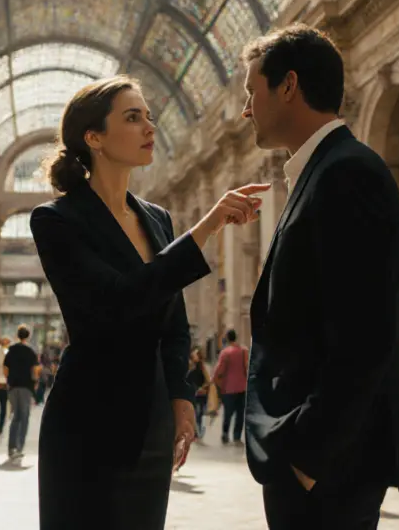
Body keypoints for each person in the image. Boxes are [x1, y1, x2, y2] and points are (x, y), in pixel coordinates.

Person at [29, 76, 267, 530]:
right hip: (87, 421)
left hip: (152, 424)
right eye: (133, 117)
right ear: (94, 138)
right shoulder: (56, 220)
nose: (150, 127)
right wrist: (205, 227)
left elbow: (173, 324)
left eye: (149, 116)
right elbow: (118, 302)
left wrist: (180, 396)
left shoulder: (156, 218)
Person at [239, 25, 399, 530]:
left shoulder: (347, 173)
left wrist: (307, 456)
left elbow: (365, 335)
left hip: (329, 466)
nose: (246, 109)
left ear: (289, 86)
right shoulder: (322, 172)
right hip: (320, 460)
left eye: (252, 91)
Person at [4, 324, 40, 461]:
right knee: (24, 417)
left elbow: (5, 368)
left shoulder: (11, 350)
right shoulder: (31, 351)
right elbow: (35, 370)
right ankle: (19, 447)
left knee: (15, 416)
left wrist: (9, 380)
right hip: (26, 387)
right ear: (28, 336)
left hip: (13, 386)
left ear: (17, 335)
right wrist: (35, 383)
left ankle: (11, 447)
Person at [211, 329, 248, 445]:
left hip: (228, 389)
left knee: (227, 413)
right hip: (242, 387)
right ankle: (237, 437)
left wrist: (214, 382)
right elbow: (247, 367)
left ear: (227, 339)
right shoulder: (244, 351)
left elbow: (219, 370)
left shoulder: (225, 352)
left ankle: (225, 434)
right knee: (240, 414)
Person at [187, 348, 211, 442]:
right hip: (195, 394)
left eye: (195, 355)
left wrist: (202, 388)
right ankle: (197, 433)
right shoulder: (191, 367)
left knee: (199, 414)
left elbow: (208, 381)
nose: (194, 356)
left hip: (201, 395)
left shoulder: (202, 368)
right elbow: (188, 380)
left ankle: (198, 433)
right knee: (197, 414)